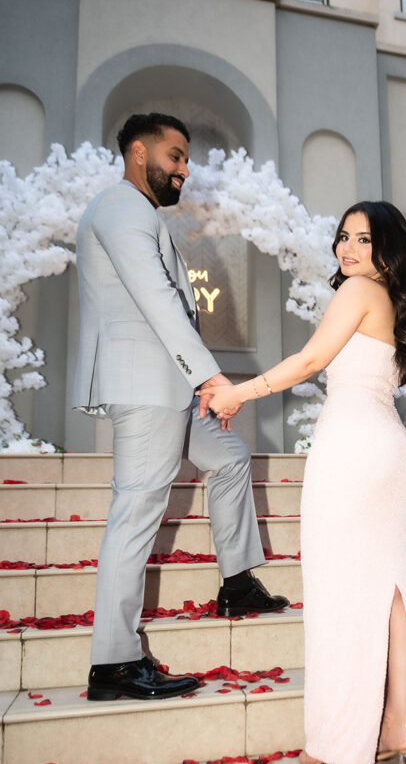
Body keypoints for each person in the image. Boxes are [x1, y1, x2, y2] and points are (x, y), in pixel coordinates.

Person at [201, 201, 406, 764]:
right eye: (342, 236)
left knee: (342, 592)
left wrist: (237, 394)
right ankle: (399, 723)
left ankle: (344, 736)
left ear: (387, 247)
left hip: (353, 448)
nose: (347, 249)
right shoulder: (394, 302)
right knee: (392, 589)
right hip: (391, 448)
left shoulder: (357, 291)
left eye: (363, 238)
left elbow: (310, 361)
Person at [72, 112, 288, 702]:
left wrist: (196, 383)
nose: (184, 170)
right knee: (136, 512)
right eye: (175, 156)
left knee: (229, 457)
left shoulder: (135, 212)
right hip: (146, 387)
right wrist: (212, 377)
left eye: (186, 159)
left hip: (169, 387)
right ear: (139, 153)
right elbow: (157, 300)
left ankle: (237, 582)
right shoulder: (120, 207)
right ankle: (113, 662)